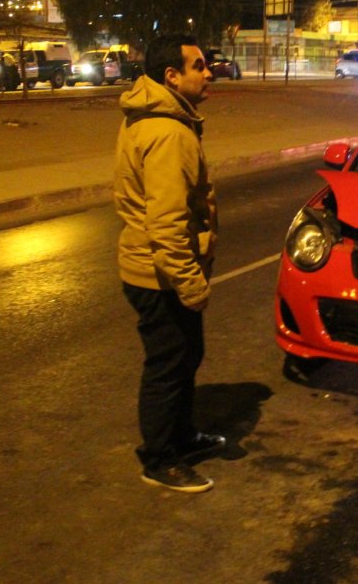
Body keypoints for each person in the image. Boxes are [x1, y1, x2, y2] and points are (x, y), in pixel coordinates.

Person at [114, 33, 225, 494]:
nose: (209, 72)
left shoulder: (155, 118)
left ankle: (181, 437)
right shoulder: (167, 132)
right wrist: (191, 285)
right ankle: (158, 459)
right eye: (198, 66)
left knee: (185, 357)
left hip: (157, 268)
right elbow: (167, 222)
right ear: (171, 76)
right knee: (167, 364)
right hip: (159, 273)